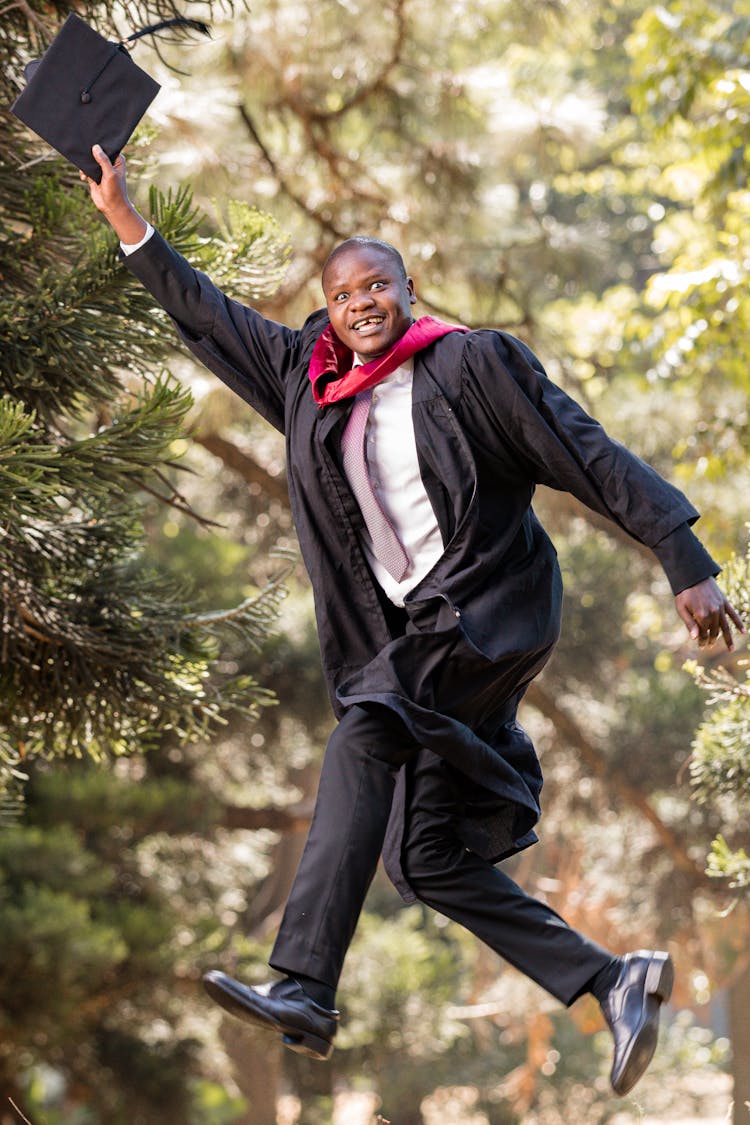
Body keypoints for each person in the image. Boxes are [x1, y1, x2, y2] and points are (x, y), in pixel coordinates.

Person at [83, 143, 743, 1097]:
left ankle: (304, 983)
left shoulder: (469, 365)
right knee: (423, 859)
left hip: (488, 609)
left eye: (377, 284)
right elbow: (207, 318)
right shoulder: (306, 386)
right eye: (344, 291)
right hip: (411, 639)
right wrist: (124, 220)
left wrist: (681, 554)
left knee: (365, 732)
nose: (361, 301)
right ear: (330, 306)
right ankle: (613, 977)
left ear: (406, 289)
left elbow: (581, 446)